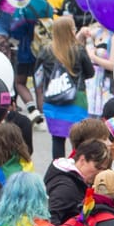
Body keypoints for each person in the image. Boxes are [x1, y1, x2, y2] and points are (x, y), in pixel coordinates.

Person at [35, 16, 95, 160]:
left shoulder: (46, 50)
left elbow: (38, 76)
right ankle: (79, 169)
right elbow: (90, 73)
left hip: (53, 101)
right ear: (70, 31)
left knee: (57, 139)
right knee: (80, 141)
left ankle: (58, 172)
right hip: (76, 100)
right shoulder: (78, 50)